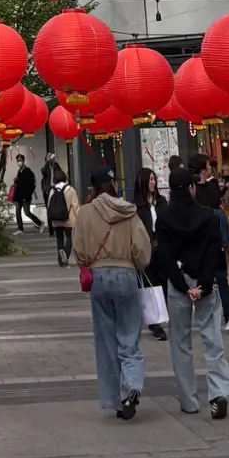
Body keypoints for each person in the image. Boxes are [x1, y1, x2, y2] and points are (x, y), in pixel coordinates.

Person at [153, 166, 229, 421]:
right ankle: (219, 393)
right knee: (212, 339)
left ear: (170, 189)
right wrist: (205, 285)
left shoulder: (163, 219)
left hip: (179, 283)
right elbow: (214, 251)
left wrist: (182, 285)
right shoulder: (208, 216)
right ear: (191, 187)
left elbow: (163, 256)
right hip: (205, 281)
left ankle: (189, 401)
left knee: (180, 342)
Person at [72, 166, 151, 421]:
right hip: (126, 274)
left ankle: (116, 400)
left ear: (92, 188)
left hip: (99, 278)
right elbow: (142, 249)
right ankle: (133, 387)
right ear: (113, 185)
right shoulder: (128, 211)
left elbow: (80, 251)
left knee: (106, 340)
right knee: (129, 336)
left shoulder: (84, 213)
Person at [190, 155, 229, 332]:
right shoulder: (192, 187)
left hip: (213, 241)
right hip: (199, 242)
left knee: (221, 278)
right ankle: (205, 315)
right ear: (202, 170)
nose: (211, 169)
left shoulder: (211, 185)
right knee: (201, 280)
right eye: (208, 167)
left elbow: (213, 203)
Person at [132, 169, 168, 341]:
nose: (153, 182)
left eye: (155, 179)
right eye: (150, 179)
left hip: (163, 247)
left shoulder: (161, 202)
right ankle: (155, 325)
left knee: (165, 283)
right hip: (147, 250)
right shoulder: (136, 207)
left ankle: (164, 315)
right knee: (150, 286)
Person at [44, 165, 79, 266]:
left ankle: (61, 260)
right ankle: (66, 256)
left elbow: (49, 205)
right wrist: (79, 218)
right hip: (69, 219)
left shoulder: (52, 190)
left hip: (56, 220)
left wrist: (49, 220)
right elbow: (75, 206)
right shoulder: (70, 190)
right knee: (70, 238)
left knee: (59, 240)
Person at [11, 153, 39, 232]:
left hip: (26, 197)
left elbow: (31, 185)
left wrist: (27, 195)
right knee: (18, 212)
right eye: (17, 161)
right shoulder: (19, 171)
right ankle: (20, 228)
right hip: (19, 197)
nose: (19, 162)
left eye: (20, 160)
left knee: (27, 213)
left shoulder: (28, 171)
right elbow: (19, 184)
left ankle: (39, 223)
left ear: (23, 161)